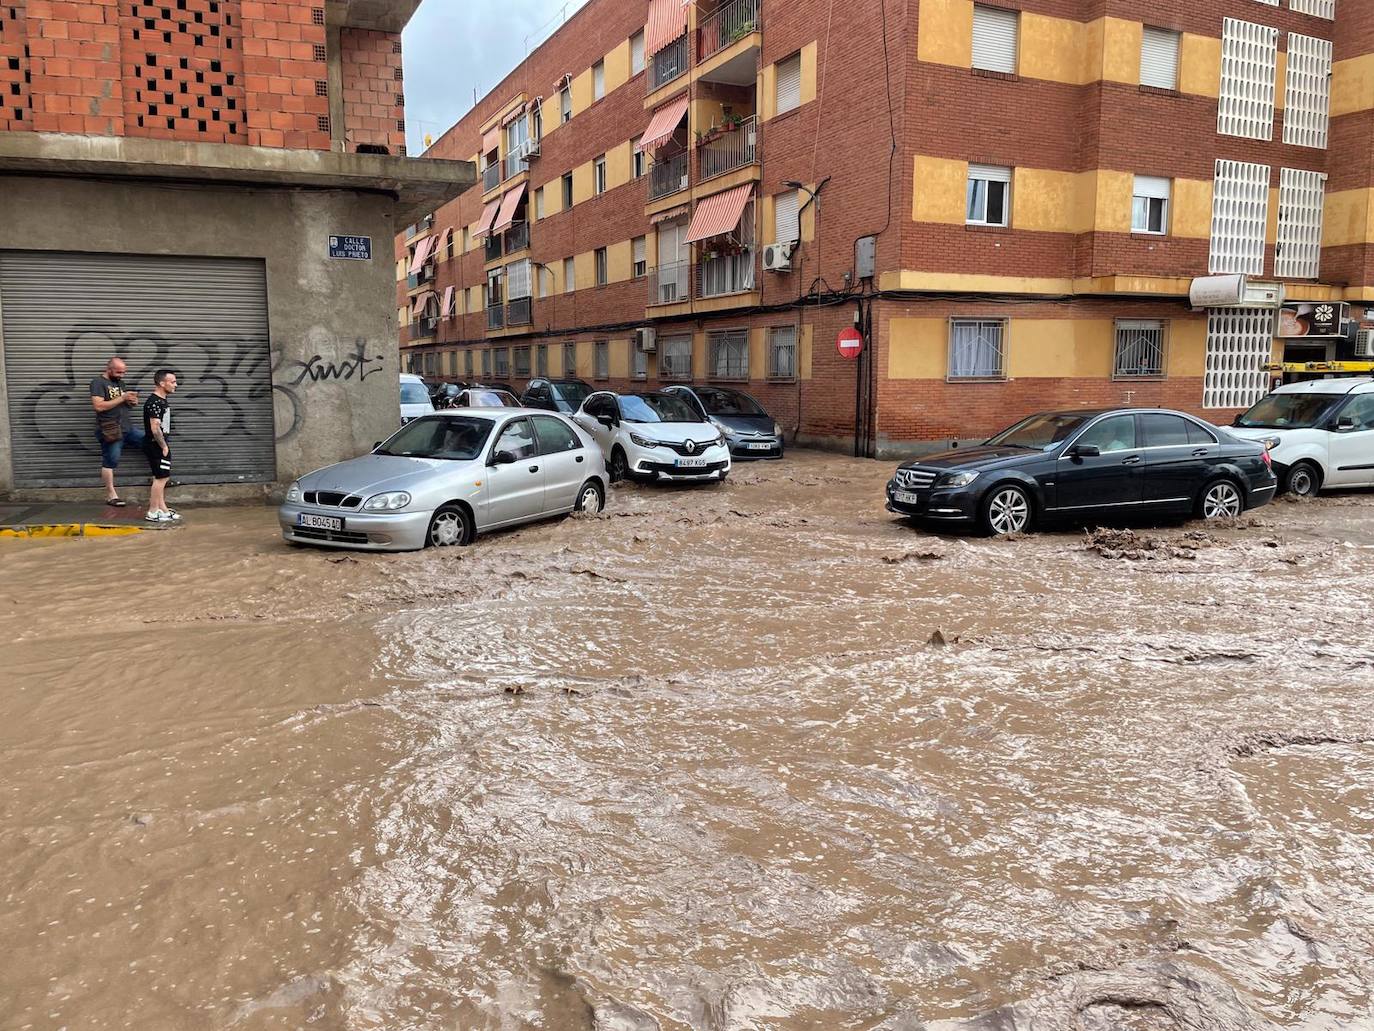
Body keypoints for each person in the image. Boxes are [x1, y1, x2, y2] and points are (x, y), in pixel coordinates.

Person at [90, 356, 142, 506]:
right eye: (119, 372)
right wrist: (123, 397)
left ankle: (160, 478)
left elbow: (123, 403)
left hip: (127, 428)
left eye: (124, 372)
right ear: (109, 369)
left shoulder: (120, 383)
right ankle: (111, 495)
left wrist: (132, 401)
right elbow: (98, 406)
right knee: (111, 460)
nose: (121, 375)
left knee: (152, 443)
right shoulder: (98, 383)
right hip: (110, 429)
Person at [142, 369, 180, 523]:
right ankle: (152, 511)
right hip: (156, 445)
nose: (176, 385)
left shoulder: (161, 400)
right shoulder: (155, 402)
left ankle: (162, 509)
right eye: (173, 382)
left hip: (157, 444)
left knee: (162, 477)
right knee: (161, 478)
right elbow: (155, 428)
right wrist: (164, 446)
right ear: (162, 383)